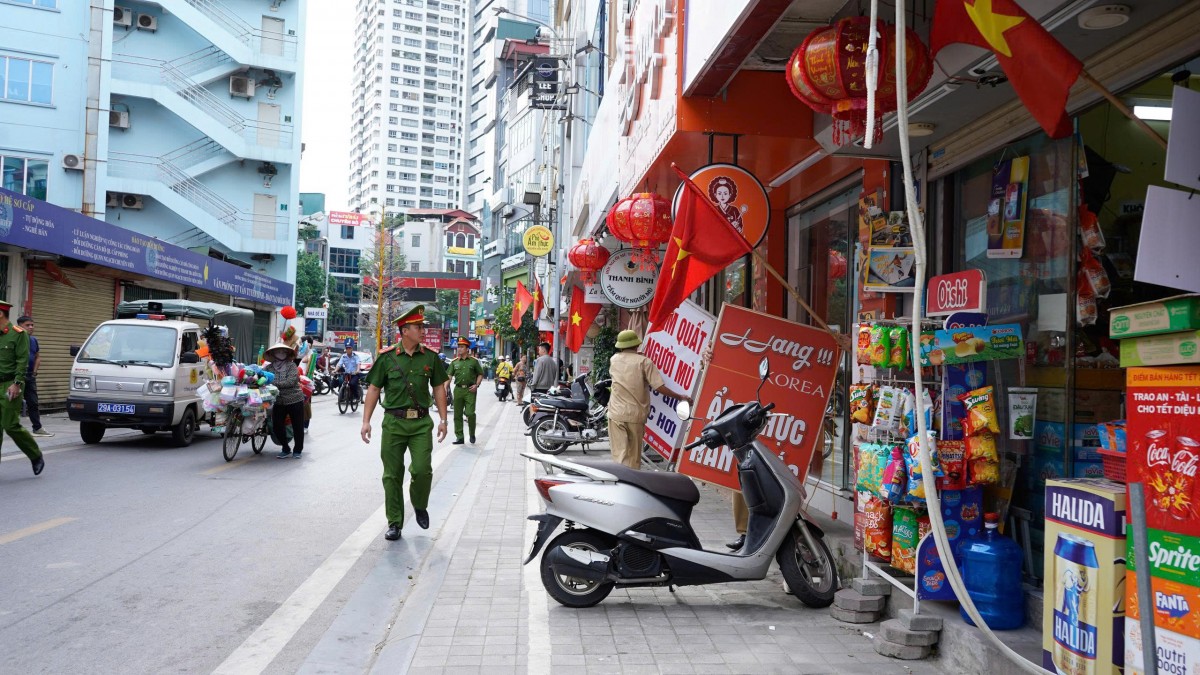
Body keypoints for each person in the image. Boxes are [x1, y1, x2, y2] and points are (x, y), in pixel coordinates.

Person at [361, 304, 450, 541]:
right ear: (405, 330)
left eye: (422, 326)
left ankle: (419, 504)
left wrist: (443, 419)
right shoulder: (387, 358)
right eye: (418, 327)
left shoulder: (430, 357)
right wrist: (366, 421)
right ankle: (395, 522)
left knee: (422, 470)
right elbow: (373, 389)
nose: (423, 330)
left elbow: (439, 388)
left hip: (421, 423)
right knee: (392, 475)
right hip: (394, 423)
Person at [607, 330, 691, 469]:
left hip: (616, 413)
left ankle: (620, 482)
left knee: (619, 456)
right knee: (634, 458)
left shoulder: (614, 359)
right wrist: (680, 397)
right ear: (636, 345)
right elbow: (659, 387)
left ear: (621, 346)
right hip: (636, 415)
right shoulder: (645, 362)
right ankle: (633, 485)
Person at [0, 302, 43, 475]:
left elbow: (22, 361)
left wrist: (17, 384)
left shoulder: (18, 334)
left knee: (10, 425)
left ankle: (35, 455)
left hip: (10, 384)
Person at [264, 343, 305, 458]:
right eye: (278, 351)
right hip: (278, 401)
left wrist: (272, 384)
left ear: (287, 354)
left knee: (297, 426)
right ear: (273, 354)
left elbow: (291, 381)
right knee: (276, 426)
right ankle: (285, 448)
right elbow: (262, 376)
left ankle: (297, 450)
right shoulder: (269, 368)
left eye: (283, 351)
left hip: (294, 399)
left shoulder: (292, 366)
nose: (281, 353)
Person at [16, 316, 51, 438]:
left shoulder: (33, 340)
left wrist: (34, 372)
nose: (31, 327)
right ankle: (11, 428)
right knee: (12, 403)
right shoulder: (14, 339)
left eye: (32, 325)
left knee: (33, 403)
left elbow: (37, 356)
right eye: (27, 325)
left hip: (29, 376)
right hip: (15, 377)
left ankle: (37, 428)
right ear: (19, 326)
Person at [446, 337, 484, 444]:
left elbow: (480, 374)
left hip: (470, 390)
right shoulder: (454, 363)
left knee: (470, 413)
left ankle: (472, 433)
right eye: (458, 347)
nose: (459, 349)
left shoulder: (474, 362)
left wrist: (477, 384)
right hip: (458, 390)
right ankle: (460, 437)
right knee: (457, 415)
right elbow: (448, 376)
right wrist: (445, 389)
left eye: (462, 347)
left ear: (467, 349)